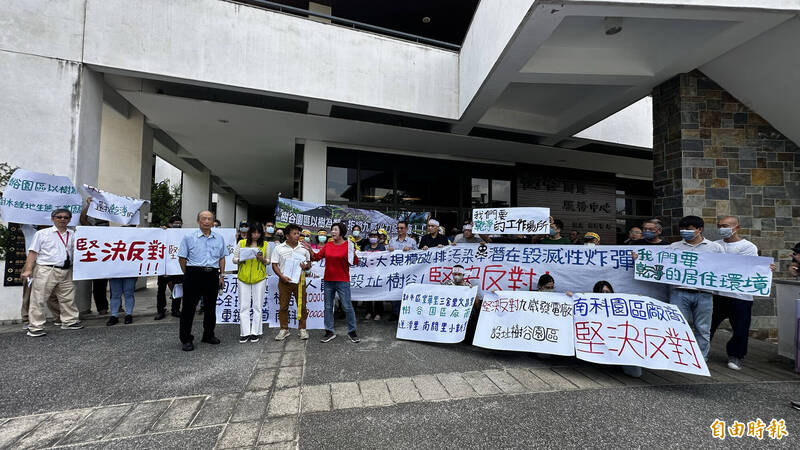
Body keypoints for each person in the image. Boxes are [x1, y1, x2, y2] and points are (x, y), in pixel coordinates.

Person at [709, 216, 765, 370]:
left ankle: (736, 356)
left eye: (725, 226)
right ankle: (702, 351)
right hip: (717, 294)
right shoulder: (714, 245)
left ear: (737, 227)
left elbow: (746, 268)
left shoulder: (748, 247)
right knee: (707, 325)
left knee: (740, 328)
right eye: (719, 226)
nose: (722, 229)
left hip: (740, 296)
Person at [20, 209, 84, 337]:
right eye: (59, 217)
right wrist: (28, 270)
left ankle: (69, 321)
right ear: (52, 219)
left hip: (66, 270)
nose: (62, 219)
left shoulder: (73, 234)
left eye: (66, 217)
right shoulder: (42, 233)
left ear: (70, 220)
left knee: (68, 297)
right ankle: (35, 327)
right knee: (39, 298)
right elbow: (33, 252)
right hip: (46, 269)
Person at [667, 215, 723, 360]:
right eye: (682, 229)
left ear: (699, 229)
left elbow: (727, 267)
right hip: (679, 292)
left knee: (703, 328)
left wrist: (763, 269)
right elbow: (662, 264)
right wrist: (640, 259)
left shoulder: (715, 248)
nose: (685, 231)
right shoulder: (674, 247)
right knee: (677, 326)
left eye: (689, 229)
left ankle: (701, 358)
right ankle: (678, 356)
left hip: (704, 293)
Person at [177, 210, 227, 351]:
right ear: (198, 221)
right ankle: (186, 339)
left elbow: (222, 257)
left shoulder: (219, 238)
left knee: (210, 308)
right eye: (203, 218)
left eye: (209, 219)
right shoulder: (189, 237)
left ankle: (208, 335)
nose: (206, 221)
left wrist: (221, 275)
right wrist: (188, 274)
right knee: (188, 308)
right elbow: (182, 258)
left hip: (212, 274)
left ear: (213, 222)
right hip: (193, 273)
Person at [304, 222, 359, 343]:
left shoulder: (348, 245)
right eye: (332, 230)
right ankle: (329, 331)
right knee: (328, 307)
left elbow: (355, 262)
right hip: (328, 280)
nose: (332, 232)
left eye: (335, 230)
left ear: (342, 232)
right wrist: (309, 250)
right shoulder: (328, 245)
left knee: (347, 306)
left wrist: (353, 253)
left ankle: (352, 331)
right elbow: (316, 257)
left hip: (343, 281)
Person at [271, 223, 312, 341]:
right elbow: (274, 265)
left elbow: (309, 264)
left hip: (299, 281)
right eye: (294, 233)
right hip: (284, 281)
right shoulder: (279, 248)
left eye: (298, 233)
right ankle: (284, 329)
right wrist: (281, 276)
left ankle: (302, 329)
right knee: (283, 306)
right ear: (287, 235)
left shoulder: (304, 248)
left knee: (302, 305)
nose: (297, 235)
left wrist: (306, 266)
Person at [234, 222, 270, 343]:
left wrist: (262, 259)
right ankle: (244, 333)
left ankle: (255, 332)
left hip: (259, 278)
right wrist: (240, 259)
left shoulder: (265, 244)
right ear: (250, 233)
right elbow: (234, 259)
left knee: (257, 306)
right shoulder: (242, 243)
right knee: (244, 306)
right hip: (243, 278)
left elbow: (268, 261)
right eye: (254, 232)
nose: (256, 235)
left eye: (258, 232)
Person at [79, 198, 110, 315]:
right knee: (99, 284)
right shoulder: (92, 229)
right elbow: (82, 219)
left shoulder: (114, 231)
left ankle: (118, 306)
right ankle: (102, 308)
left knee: (117, 283)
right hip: (97, 260)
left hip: (111, 258)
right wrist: (89, 205)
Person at [156, 215, 184, 320]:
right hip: (164, 268)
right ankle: (160, 310)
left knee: (178, 288)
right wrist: (162, 230)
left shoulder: (183, 234)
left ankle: (175, 309)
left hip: (177, 268)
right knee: (161, 290)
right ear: (170, 224)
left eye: (179, 223)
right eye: (175, 223)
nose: (178, 225)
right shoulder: (164, 233)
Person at [363, 231, 386, 320]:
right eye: (371, 236)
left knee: (377, 293)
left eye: (375, 236)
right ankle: (368, 312)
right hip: (368, 273)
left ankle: (378, 313)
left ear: (378, 237)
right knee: (368, 293)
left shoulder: (381, 247)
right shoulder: (366, 247)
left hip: (378, 273)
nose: (373, 238)